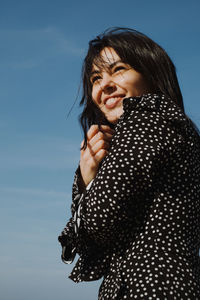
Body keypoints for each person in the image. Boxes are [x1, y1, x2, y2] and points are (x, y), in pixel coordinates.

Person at [58, 27, 200, 299]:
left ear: (151, 73)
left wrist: (87, 178)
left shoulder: (146, 119)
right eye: (96, 78)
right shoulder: (175, 127)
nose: (104, 85)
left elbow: (99, 222)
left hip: (148, 287)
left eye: (118, 69)